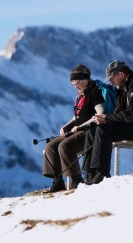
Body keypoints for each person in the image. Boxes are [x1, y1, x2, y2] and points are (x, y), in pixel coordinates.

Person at [82, 60, 133, 185]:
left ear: (121, 74)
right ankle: (90, 172)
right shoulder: (123, 88)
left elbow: (130, 115)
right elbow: (118, 112)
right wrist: (104, 119)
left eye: (112, 78)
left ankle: (101, 173)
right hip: (132, 125)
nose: (111, 82)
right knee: (93, 130)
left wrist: (107, 118)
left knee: (103, 130)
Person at [43, 64, 104, 192]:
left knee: (65, 146)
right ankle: (58, 181)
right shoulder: (81, 94)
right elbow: (77, 116)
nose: (75, 86)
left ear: (84, 79)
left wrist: (80, 126)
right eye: (73, 84)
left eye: (76, 83)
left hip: (90, 132)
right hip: (79, 130)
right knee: (51, 146)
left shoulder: (94, 92)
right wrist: (67, 126)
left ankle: (78, 180)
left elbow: (100, 113)